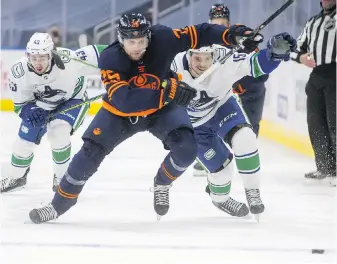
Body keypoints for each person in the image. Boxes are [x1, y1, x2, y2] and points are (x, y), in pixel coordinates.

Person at [28, 13, 263, 224]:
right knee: (88, 156)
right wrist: (167, 90)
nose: (137, 47)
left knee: (187, 149)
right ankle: (59, 205)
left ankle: (162, 182)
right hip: (119, 115)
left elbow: (200, 32)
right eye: (131, 42)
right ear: (121, 39)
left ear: (148, 36)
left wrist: (233, 35)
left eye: (142, 41)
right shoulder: (110, 58)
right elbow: (124, 101)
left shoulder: (162, 37)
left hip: (160, 111)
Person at [171, 33, 297, 218]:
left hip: (222, 107)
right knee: (223, 171)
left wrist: (273, 55)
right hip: (193, 125)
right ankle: (220, 199)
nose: (202, 64)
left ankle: (252, 191)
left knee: (245, 137)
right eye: (197, 58)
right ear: (188, 55)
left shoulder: (225, 58)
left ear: (214, 55)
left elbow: (256, 65)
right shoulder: (173, 63)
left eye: (207, 58)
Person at [0, 32, 106, 193]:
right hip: (41, 105)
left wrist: (132, 58)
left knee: (58, 132)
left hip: (72, 100)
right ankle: (17, 176)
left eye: (42, 57)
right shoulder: (19, 72)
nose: (38, 63)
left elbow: (100, 51)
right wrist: (30, 111)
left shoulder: (69, 59)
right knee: (23, 142)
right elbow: (20, 105)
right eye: (33, 58)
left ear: (51, 54)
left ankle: (61, 179)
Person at [193, 3, 269, 177]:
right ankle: (213, 158)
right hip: (218, 95)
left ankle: (245, 160)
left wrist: (242, 83)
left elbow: (261, 73)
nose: (219, 25)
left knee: (248, 129)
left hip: (250, 94)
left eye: (222, 21)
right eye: (215, 21)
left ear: (229, 23)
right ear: (210, 21)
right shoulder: (203, 43)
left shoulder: (241, 40)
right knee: (209, 122)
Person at [292, 0, 336, 185]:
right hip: (317, 76)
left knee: (335, 123)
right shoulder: (312, 22)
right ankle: (325, 168)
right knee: (316, 123)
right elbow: (296, 49)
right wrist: (301, 57)